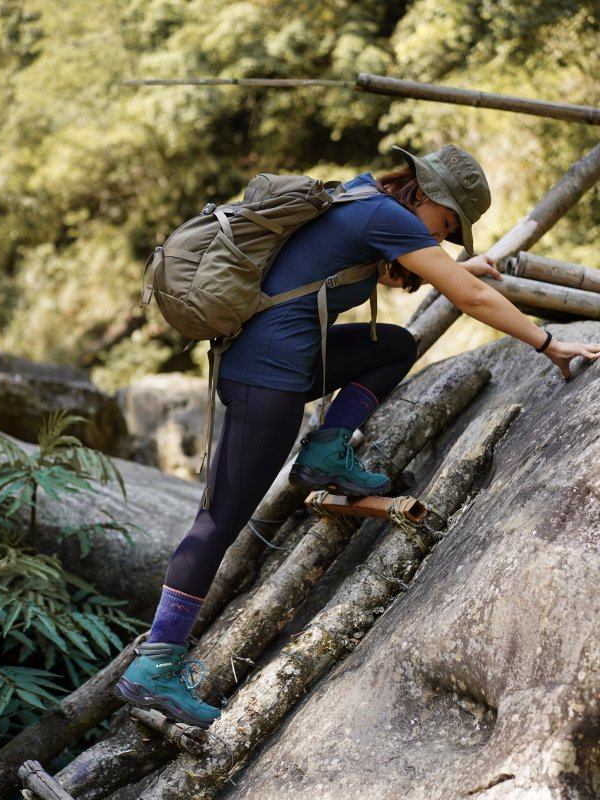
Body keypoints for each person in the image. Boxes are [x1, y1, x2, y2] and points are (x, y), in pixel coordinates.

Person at [114, 144, 600, 728]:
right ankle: (156, 663)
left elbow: (397, 272)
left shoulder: (365, 195)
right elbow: (469, 299)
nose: (444, 242)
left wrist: (455, 267)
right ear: (425, 195)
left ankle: (325, 449)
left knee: (393, 345)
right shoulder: (384, 214)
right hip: (266, 375)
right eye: (447, 229)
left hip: (281, 358)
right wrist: (550, 345)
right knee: (217, 520)